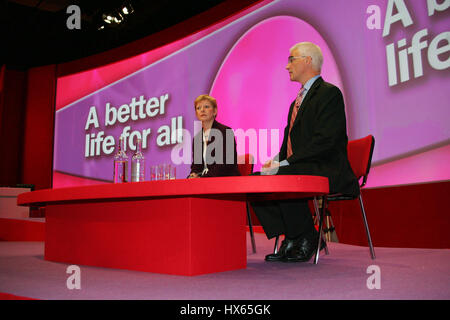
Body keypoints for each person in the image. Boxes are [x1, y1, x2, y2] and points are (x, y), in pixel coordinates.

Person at [251, 42, 359, 263]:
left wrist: (287, 164)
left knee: (284, 177)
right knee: (257, 182)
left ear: (308, 61)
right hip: (303, 165)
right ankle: (292, 236)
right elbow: (289, 144)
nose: (286, 66)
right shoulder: (295, 103)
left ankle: (307, 236)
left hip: (326, 166)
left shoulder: (329, 94)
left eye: (291, 59)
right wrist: (277, 160)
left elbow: (325, 141)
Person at [188, 94, 241, 178]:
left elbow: (225, 165)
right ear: (196, 114)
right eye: (198, 108)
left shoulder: (226, 132)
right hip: (204, 184)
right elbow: (196, 166)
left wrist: (202, 178)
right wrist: (193, 175)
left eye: (206, 107)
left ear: (215, 111)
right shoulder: (197, 138)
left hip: (225, 182)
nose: (202, 110)